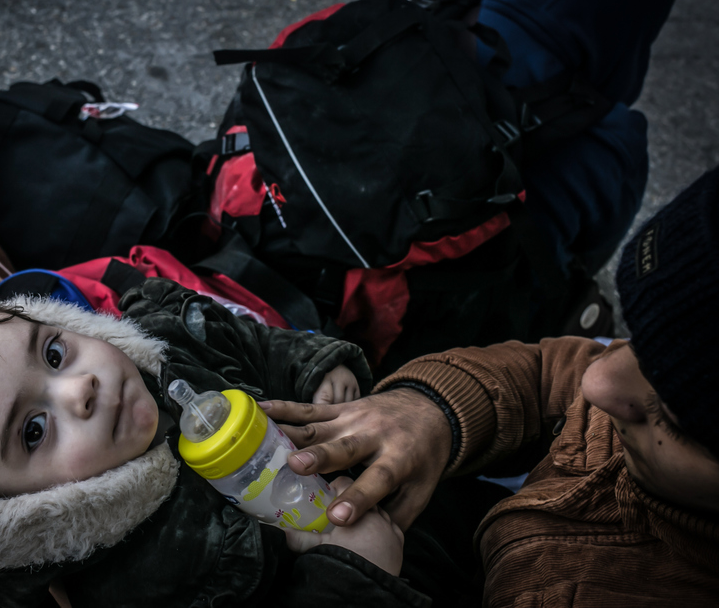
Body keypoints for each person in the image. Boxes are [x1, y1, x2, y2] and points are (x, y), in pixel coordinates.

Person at [0, 276, 437, 608]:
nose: (81, 390)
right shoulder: (126, 582)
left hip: (422, 492)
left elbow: (245, 341)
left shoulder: (166, 339)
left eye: (53, 352)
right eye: (33, 430)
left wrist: (314, 368)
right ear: (11, 514)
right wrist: (355, 577)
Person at [264, 164, 719, 605]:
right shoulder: (634, 391)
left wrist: (355, 590)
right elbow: (548, 376)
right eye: (634, 342)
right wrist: (437, 410)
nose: (597, 383)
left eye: (671, 417)